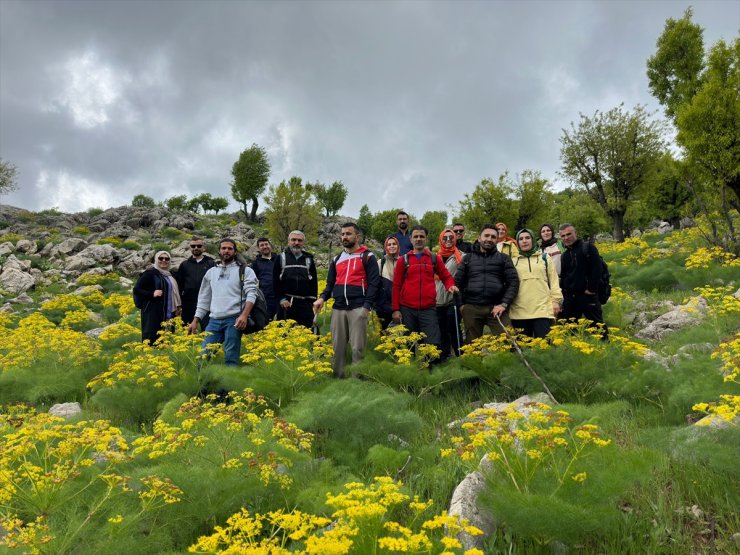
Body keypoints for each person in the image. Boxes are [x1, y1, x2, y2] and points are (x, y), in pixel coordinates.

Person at [314, 222, 380, 378]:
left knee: (358, 348)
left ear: (357, 236)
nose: (345, 237)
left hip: (358, 307)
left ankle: (357, 381)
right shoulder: (337, 259)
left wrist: (367, 307)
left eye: (348, 234)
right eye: (342, 234)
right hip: (338, 308)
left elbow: (374, 284)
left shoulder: (368, 256)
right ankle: (338, 379)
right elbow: (330, 284)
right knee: (337, 348)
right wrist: (322, 298)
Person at [188, 239, 258, 366]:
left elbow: (252, 294)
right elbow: (204, 298)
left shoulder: (245, 271)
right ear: (219, 251)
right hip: (214, 321)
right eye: (223, 248)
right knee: (204, 356)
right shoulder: (211, 273)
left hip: (234, 320)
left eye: (230, 248)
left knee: (231, 357)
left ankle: (228, 386)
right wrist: (195, 320)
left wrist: (244, 315)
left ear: (235, 252)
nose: (226, 251)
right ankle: (204, 385)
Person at [392, 226, 458, 356]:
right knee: (408, 345)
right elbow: (396, 285)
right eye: (415, 236)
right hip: (407, 309)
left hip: (428, 309)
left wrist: (450, 285)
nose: (418, 239)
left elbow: (446, 276)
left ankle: (430, 372)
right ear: (410, 239)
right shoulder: (403, 260)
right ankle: (410, 373)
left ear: (426, 239)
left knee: (432, 344)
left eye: (421, 236)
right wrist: (396, 309)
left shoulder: (434, 258)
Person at [455, 224, 519, 341]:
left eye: (493, 237)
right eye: (486, 236)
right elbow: (457, 282)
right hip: (471, 307)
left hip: (496, 308)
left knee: (509, 341)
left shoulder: (504, 258)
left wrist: (504, 304)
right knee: (472, 347)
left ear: (497, 239)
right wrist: (461, 306)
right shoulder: (468, 258)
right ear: (479, 238)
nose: (489, 239)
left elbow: (513, 282)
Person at [509, 229, 563, 338]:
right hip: (519, 312)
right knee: (523, 350)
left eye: (527, 238)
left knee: (543, 349)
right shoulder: (512, 261)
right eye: (521, 239)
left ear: (533, 240)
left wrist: (556, 301)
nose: (524, 241)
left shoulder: (544, 258)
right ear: (517, 242)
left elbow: (554, 281)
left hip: (543, 310)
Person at [558, 223, 608, 339]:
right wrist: (564, 295)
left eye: (569, 234)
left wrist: (591, 289)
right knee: (570, 330)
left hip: (588, 296)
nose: (566, 238)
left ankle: (605, 349)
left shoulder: (588, 248)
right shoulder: (564, 255)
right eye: (563, 236)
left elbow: (597, 269)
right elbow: (565, 276)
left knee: (597, 327)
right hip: (571, 298)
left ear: (575, 233)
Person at [134, 250, 182, 345]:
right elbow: (137, 289)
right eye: (161, 258)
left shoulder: (170, 275)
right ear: (156, 259)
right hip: (153, 313)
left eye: (167, 259)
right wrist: (152, 293)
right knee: (153, 339)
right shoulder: (150, 273)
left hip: (169, 313)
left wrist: (178, 307)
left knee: (167, 339)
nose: (164, 260)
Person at [273, 230, 318, 329]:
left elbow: (314, 282)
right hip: (286, 304)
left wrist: (313, 301)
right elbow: (275, 281)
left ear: (303, 243)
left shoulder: (308, 259)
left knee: (310, 334)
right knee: (284, 336)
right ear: (288, 242)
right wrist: (281, 299)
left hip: (305, 304)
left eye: (299, 240)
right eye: (293, 240)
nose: (296, 243)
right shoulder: (280, 258)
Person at [175, 237, 216, 330]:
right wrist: (179, 303)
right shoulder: (184, 264)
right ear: (190, 248)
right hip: (188, 302)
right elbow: (179, 284)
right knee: (187, 329)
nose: (196, 248)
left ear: (204, 248)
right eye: (193, 246)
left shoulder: (211, 263)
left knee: (208, 330)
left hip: (207, 302)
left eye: (199, 246)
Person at [435, 228, 464, 360]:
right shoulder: (435, 257)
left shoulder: (462, 256)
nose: (448, 240)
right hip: (437, 299)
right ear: (441, 239)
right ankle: (444, 357)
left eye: (451, 237)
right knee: (441, 330)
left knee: (454, 328)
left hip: (453, 299)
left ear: (455, 239)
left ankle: (460, 356)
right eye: (445, 238)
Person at [375, 235, 400, 330]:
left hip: (401, 306)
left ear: (398, 246)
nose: (392, 246)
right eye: (389, 244)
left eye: (394, 244)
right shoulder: (380, 263)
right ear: (386, 247)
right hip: (383, 307)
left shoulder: (404, 261)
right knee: (384, 335)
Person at [250, 237, 278, 319]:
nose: (265, 246)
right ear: (258, 248)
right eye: (262, 245)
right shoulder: (255, 263)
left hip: (281, 297)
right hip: (266, 298)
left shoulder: (279, 259)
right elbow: (252, 280)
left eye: (266, 244)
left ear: (270, 246)